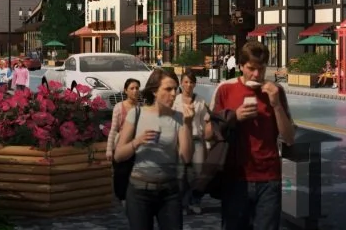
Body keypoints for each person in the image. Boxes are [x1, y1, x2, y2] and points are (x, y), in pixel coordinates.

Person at [210, 40, 296, 230]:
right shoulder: (225, 90)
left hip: (269, 179)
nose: (256, 74)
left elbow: (289, 138)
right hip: (235, 178)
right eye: (251, 68)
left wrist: (276, 104)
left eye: (261, 69)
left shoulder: (276, 91)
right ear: (241, 66)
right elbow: (209, 132)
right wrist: (234, 116)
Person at [114, 69, 194, 230]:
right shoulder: (136, 114)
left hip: (169, 192)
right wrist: (137, 142)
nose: (173, 94)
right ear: (154, 91)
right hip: (139, 191)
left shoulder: (178, 117)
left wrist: (188, 124)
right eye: (168, 89)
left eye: (175, 89)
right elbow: (119, 155)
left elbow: (186, 157)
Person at [178, 71, 211, 215]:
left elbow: (206, 122)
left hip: (197, 140)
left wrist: (208, 143)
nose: (188, 85)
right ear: (181, 83)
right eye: (186, 82)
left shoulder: (200, 101)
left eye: (191, 82)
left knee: (198, 173)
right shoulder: (175, 100)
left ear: (195, 84)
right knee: (181, 173)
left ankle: (195, 200)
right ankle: (183, 203)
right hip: (180, 140)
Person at [107, 78, 142, 165]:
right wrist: (109, 150)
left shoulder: (142, 108)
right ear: (125, 91)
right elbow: (113, 129)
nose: (135, 91)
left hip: (138, 149)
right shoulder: (118, 107)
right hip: (121, 147)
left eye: (137, 88)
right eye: (132, 88)